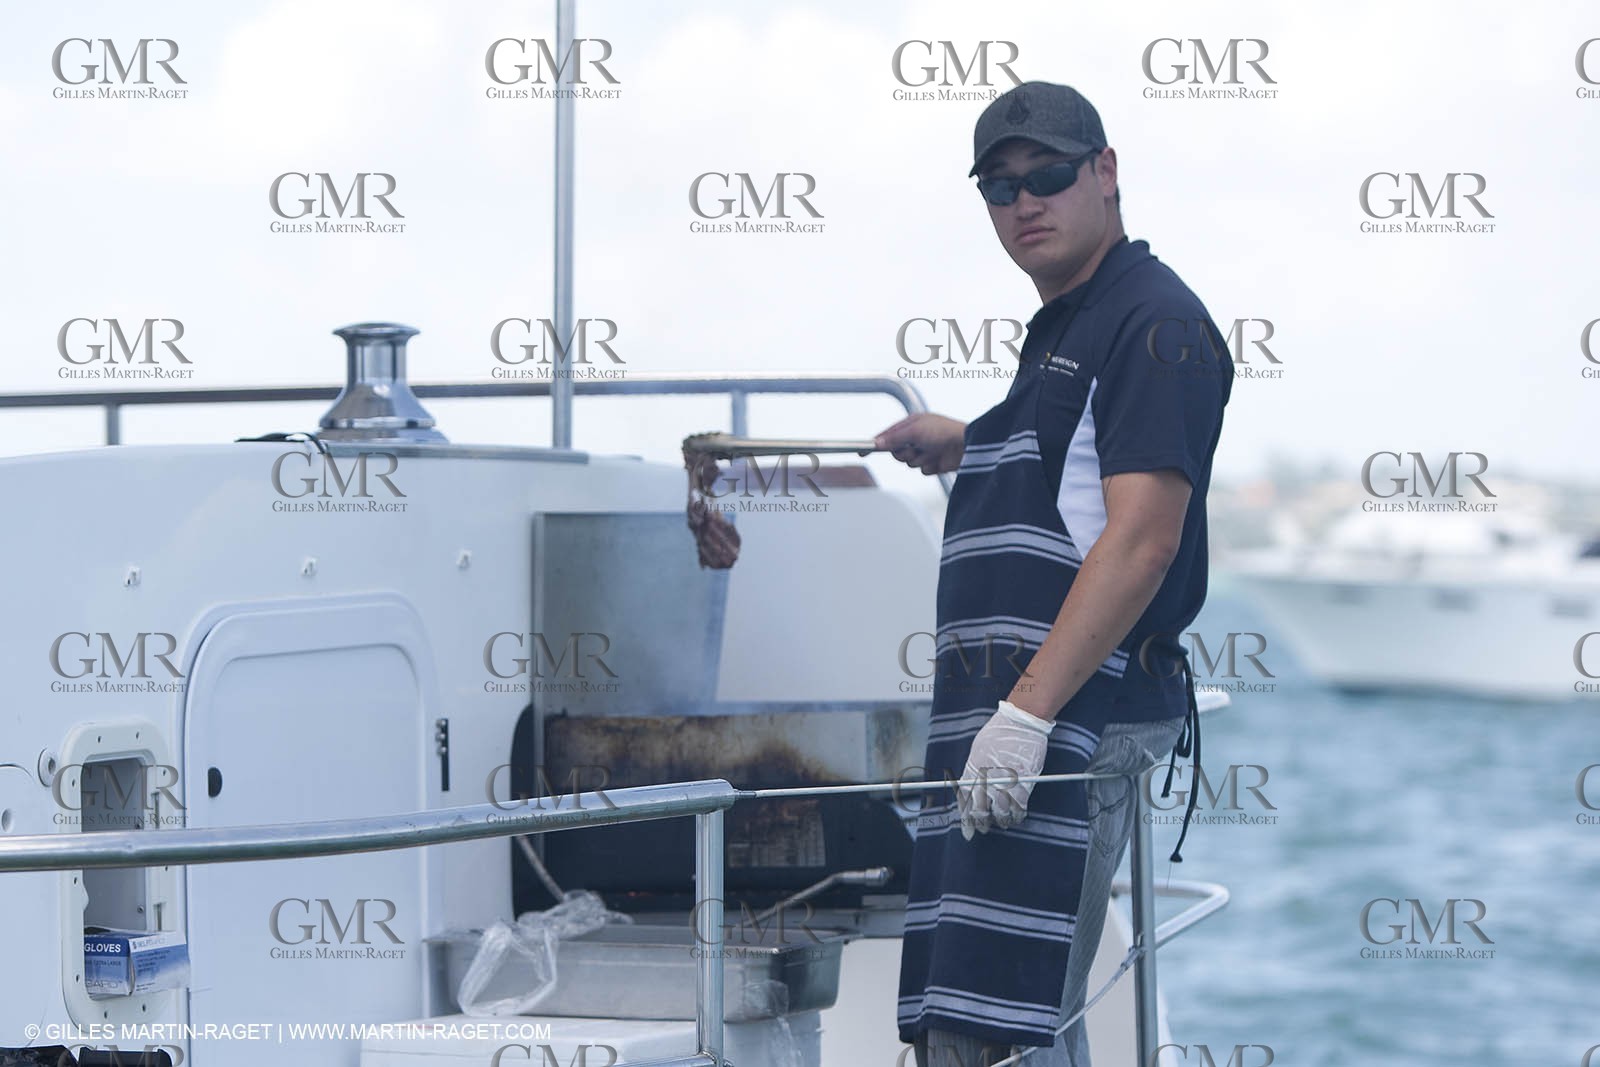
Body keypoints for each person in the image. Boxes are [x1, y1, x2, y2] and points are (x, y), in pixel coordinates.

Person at [881, 81, 1233, 1067]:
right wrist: (963, 442)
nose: (1023, 200)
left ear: (1106, 171)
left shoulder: (1155, 324)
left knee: (1004, 1017)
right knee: (978, 1013)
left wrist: (1026, 717)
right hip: (1016, 719)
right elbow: (1069, 460)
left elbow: (1140, 539)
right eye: (998, 186)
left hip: (1076, 719)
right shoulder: (1070, 323)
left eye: (1048, 174)